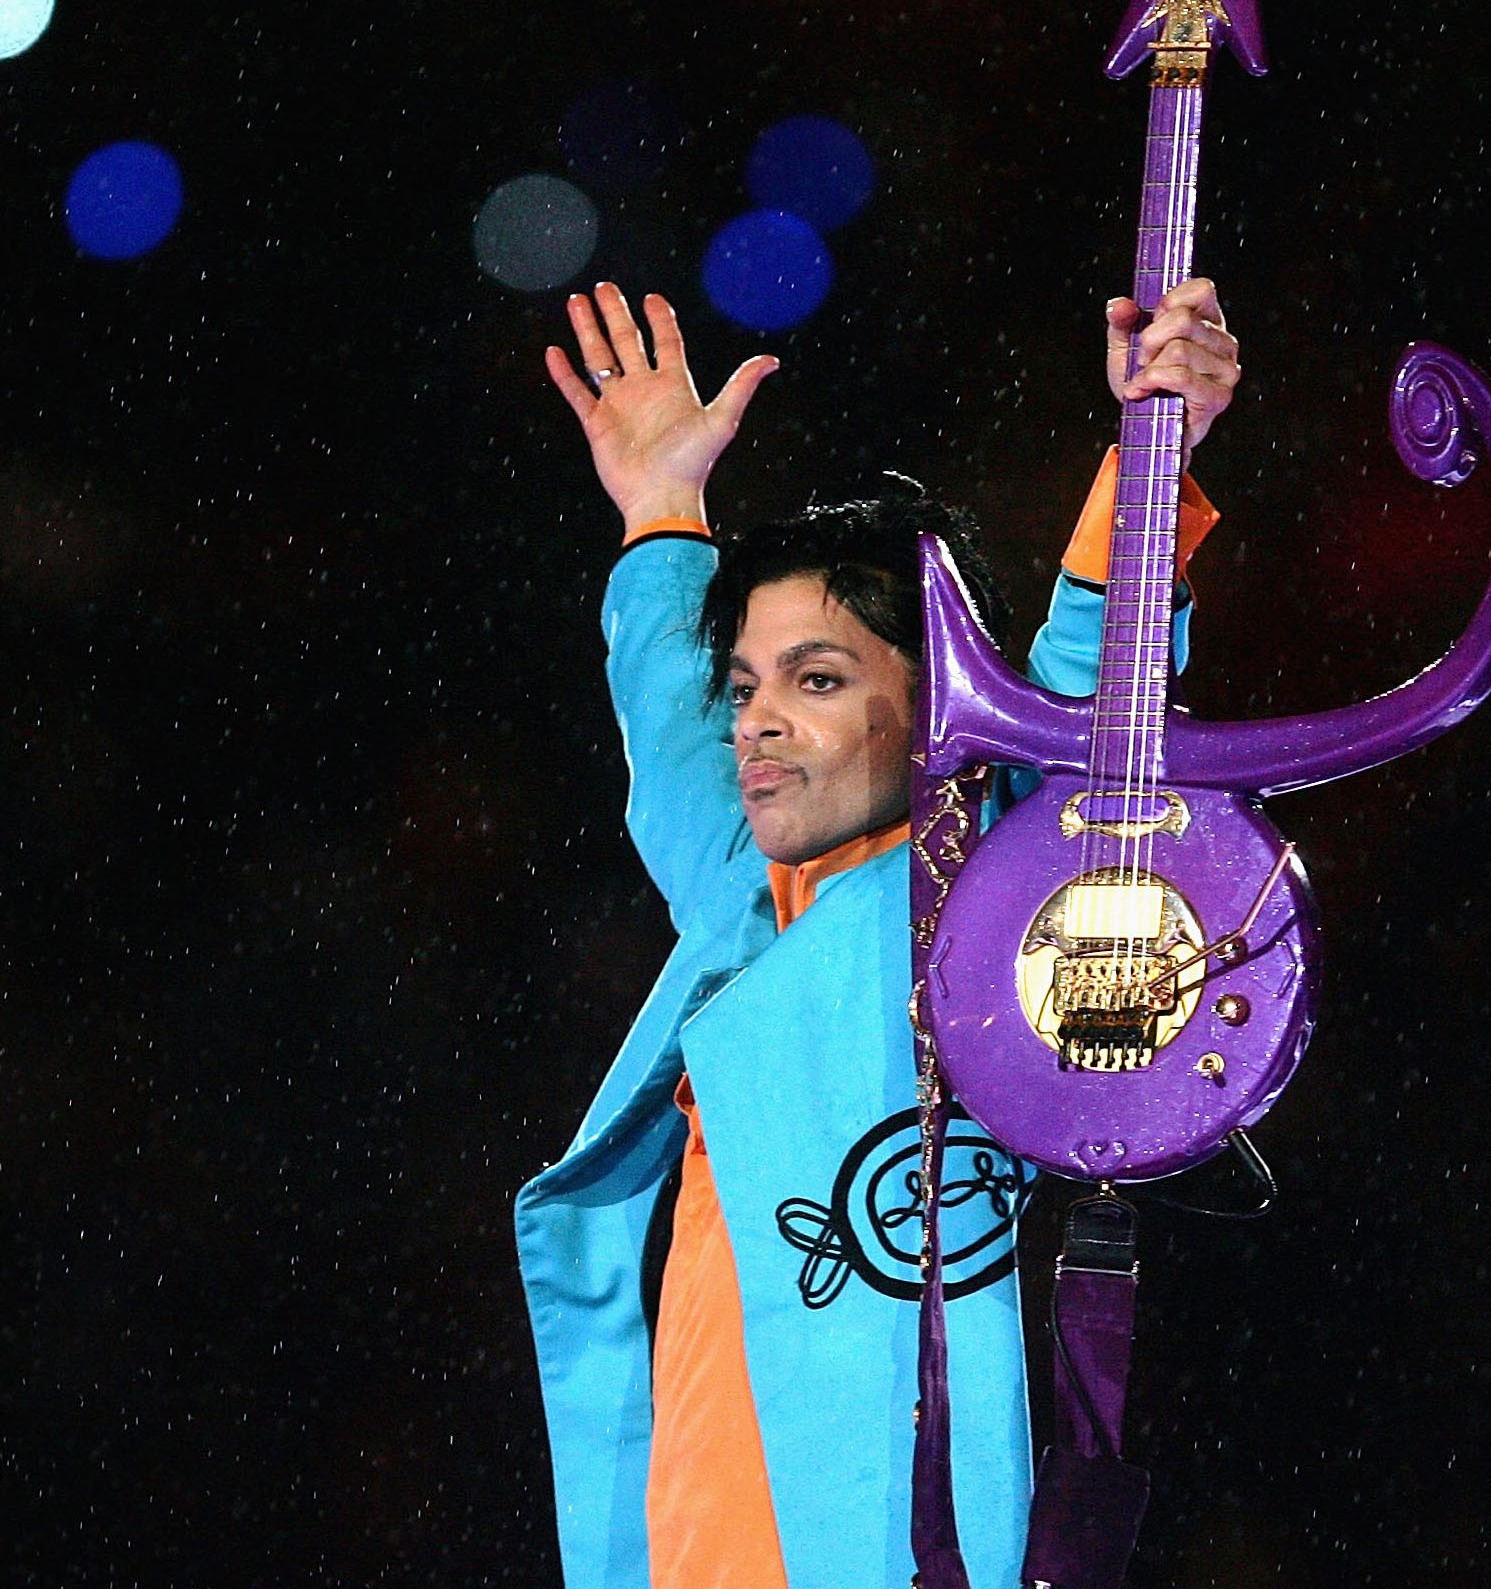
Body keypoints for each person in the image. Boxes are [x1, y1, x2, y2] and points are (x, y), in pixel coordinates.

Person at [514, 279, 1239, 1589]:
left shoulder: (982, 893)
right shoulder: (744, 907)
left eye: (821, 679)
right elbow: (679, 744)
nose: (760, 722)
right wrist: (661, 513)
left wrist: (1147, 465)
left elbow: (1094, 696)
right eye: (749, 686)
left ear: (943, 710)